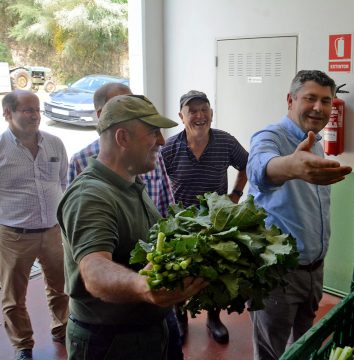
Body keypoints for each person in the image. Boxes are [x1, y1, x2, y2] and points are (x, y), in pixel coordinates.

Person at [57, 94, 207, 359]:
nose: (162, 140)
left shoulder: (131, 182)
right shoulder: (91, 195)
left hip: (152, 327)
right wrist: (143, 286)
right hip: (112, 341)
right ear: (122, 138)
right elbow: (94, 270)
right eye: (152, 132)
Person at [246, 70, 352, 360]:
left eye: (326, 101)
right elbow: (258, 168)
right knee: (271, 350)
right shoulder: (271, 136)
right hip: (278, 273)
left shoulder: (314, 142)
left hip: (314, 270)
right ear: (290, 100)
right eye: (310, 98)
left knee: (305, 343)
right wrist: (290, 166)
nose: (319, 107)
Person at [161, 90, 249, 344]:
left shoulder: (225, 142)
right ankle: (180, 317)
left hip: (215, 222)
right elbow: (154, 177)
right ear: (181, 116)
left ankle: (213, 318)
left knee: (214, 272)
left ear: (211, 113)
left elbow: (247, 164)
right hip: (182, 223)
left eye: (204, 110)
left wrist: (235, 195)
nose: (200, 116)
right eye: (193, 111)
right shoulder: (169, 147)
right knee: (180, 273)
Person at [0, 90, 69, 360]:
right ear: (8, 114)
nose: (34, 115)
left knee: (60, 287)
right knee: (13, 297)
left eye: (37, 109)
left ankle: (62, 328)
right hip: (14, 236)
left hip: (52, 231)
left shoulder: (54, 143)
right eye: (27, 110)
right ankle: (23, 345)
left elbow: (62, 182)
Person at [68, 82, 175, 217]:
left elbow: (167, 204)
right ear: (101, 114)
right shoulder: (80, 163)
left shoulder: (152, 152)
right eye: (121, 103)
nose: (161, 141)